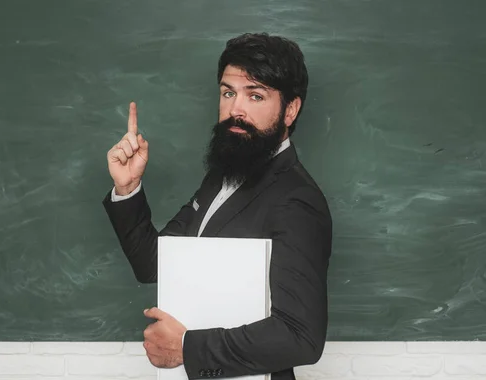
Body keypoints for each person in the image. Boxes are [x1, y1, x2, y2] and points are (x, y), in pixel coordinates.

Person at [102, 32, 332, 380]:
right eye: (228, 92)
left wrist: (187, 348)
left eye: (255, 95)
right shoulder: (223, 176)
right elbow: (156, 265)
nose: (235, 109)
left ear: (291, 110)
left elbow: (301, 338)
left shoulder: (296, 200)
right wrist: (128, 187)